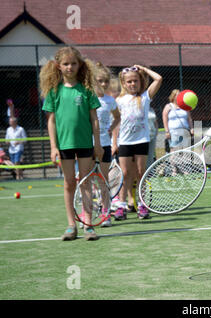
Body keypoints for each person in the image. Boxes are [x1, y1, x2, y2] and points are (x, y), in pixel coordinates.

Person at [40, 46, 103, 241]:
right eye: (66, 64)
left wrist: (98, 144)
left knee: (85, 183)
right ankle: (71, 225)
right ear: (58, 66)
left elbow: (94, 119)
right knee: (69, 184)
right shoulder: (53, 91)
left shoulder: (86, 90)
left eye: (73, 63)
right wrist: (53, 146)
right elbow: (51, 120)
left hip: (85, 144)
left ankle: (88, 225)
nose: (70, 67)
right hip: (64, 146)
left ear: (80, 65)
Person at [113, 65, 162, 220]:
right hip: (125, 142)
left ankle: (142, 204)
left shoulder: (145, 97)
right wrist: (115, 142)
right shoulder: (119, 100)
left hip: (142, 141)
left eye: (135, 81)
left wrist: (142, 69)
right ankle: (121, 206)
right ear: (124, 83)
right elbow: (116, 123)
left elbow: (159, 78)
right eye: (129, 82)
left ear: (140, 82)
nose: (132, 84)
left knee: (141, 173)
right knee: (125, 174)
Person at [90, 61, 121, 227]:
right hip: (87, 144)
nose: (103, 84)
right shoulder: (88, 98)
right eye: (99, 81)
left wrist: (110, 129)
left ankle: (105, 213)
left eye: (106, 81)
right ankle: (87, 213)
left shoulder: (110, 100)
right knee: (87, 180)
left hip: (105, 145)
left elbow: (117, 117)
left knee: (103, 180)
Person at [162, 89, 194, 154]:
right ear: (173, 96)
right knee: (174, 149)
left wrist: (191, 128)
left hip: (185, 130)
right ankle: (173, 164)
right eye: (178, 95)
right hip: (174, 131)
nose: (180, 96)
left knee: (185, 149)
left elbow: (189, 119)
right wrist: (167, 131)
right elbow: (164, 119)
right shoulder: (168, 106)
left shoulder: (184, 106)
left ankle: (184, 163)